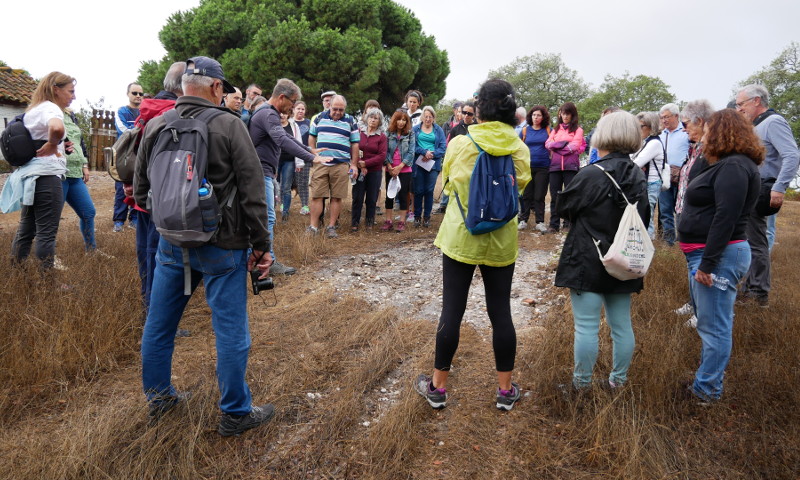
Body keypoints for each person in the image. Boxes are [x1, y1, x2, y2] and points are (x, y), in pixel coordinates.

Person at [133, 56, 275, 436]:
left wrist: (174, 219)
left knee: (159, 326)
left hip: (169, 245)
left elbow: (143, 194)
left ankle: (160, 401)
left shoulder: (157, 125)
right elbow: (252, 192)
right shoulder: (229, 124)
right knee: (230, 331)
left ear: (182, 86)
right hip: (223, 245)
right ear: (216, 88)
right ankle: (235, 413)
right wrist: (262, 245)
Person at [414, 79, 531, 411]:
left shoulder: (460, 144)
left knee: (452, 310)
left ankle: (437, 388)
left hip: (461, 236)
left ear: (480, 109)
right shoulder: (519, 148)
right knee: (501, 312)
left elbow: (448, 183)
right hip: (501, 240)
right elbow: (521, 185)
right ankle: (506, 392)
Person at [554, 111, 649, 391]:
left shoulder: (592, 174)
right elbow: (643, 216)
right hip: (625, 258)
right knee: (621, 326)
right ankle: (618, 382)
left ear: (604, 135)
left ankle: (581, 385)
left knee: (586, 327)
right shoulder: (637, 175)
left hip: (588, 257)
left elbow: (563, 208)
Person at [677, 109, 763, 403]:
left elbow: (726, 217)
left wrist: (709, 264)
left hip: (719, 257)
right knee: (709, 324)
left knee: (715, 328)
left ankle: (707, 392)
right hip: (705, 255)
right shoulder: (723, 164)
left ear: (723, 131)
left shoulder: (736, 167)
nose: (704, 133)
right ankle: (705, 383)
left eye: (709, 128)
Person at [130, 62, 189, 332]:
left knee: (146, 255)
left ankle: (146, 311)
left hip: (141, 199)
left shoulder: (147, 109)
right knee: (160, 260)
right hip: (162, 202)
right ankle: (159, 322)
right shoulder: (173, 114)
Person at [249, 78, 327, 274]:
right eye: (292, 102)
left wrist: (310, 150)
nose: (293, 108)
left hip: (264, 172)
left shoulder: (268, 113)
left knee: (266, 218)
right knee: (267, 218)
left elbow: (289, 138)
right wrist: (311, 157)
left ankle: (260, 259)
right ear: (282, 97)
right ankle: (267, 262)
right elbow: (282, 139)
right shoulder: (268, 114)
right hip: (259, 173)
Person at [736, 84, 800, 307]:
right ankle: (748, 288)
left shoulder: (774, 122)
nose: (739, 108)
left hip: (763, 188)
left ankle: (758, 293)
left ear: (756, 101)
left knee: (756, 242)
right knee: (748, 241)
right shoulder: (755, 125)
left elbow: (792, 155)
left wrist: (780, 187)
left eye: (741, 104)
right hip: (751, 188)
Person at [1, 72, 72, 270]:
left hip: (31, 176)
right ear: (56, 89)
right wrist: (52, 142)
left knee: (26, 230)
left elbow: (38, 139)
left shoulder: (34, 109)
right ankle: (48, 282)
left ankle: (17, 274)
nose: (73, 96)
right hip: (47, 177)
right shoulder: (51, 108)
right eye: (70, 91)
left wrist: (57, 145)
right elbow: (56, 128)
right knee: (46, 233)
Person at [308, 95, 360, 238]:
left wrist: (354, 165)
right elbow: (311, 136)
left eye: (341, 110)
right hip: (321, 164)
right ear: (329, 106)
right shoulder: (319, 118)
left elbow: (355, 143)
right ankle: (313, 227)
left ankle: (331, 227)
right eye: (335, 109)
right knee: (317, 196)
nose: (337, 112)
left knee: (337, 197)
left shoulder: (351, 120)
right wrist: (314, 154)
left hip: (341, 164)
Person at [545, 102, 585, 233]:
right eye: (563, 113)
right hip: (555, 167)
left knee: (569, 196)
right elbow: (548, 144)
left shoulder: (578, 130)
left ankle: (568, 223)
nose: (565, 116)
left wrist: (558, 147)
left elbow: (574, 146)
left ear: (572, 115)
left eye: (567, 113)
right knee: (555, 196)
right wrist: (563, 145)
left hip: (571, 167)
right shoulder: (555, 130)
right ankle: (553, 224)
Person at [61, 108, 96, 250]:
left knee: (88, 212)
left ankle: (91, 250)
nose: (73, 96)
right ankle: (47, 259)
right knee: (50, 219)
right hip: (57, 173)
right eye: (70, 91)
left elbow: (79, 142)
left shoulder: (70, 114)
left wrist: (84, 164)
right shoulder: (47, 111)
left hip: (75, 173)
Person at [657, 103, 690, 246]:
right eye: (662, 117)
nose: (664, 120)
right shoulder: (660, 134)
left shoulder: (685, 132)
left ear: (676, 116)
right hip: (664, 177)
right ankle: (669, 242)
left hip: (681, 177)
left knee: (681, 211)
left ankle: (683, 241)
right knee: (665, 211)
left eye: (667, 117)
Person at [113, 82, 143, 232]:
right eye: (134, 93)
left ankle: (135, 218)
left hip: (140, 154)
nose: (138, 96)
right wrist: (140, 130)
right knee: (121, 188)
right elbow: (123, 129)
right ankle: (119, 221)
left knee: (139, 186)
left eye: (140, 94)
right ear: (128, 94)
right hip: (124, 155)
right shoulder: (121, 111)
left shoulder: (144, 111)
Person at [436, 101, 476, 215]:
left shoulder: (478, 128)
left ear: (474, 115)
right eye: (464, 112)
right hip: (458, 163)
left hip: (472, 164)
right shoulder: (455, 129)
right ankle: (447, 206)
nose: (467, 116)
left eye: (470, 113)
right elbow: (450, 147)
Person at [631, 112, 665, 239]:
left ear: (651, 127)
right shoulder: (645, 142)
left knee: (647, 216)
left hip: (651, 183)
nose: (638, 130)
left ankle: (649, 246)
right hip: (644, 183)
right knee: (643, 216)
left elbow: (636, 162)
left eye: (641, 126)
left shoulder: (654, 143)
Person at [352, 107, 387, 231]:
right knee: (357, 197)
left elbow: (382, 156)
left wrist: (366, 163)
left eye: (376, 118)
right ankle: (354, 223)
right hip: (359, 170)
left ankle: (369, 223)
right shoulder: (358, 132)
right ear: (367, 119)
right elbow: (353, 148)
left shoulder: (381, 137)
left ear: (379, 121)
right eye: (371, 117)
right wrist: (357, 164)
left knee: (371, 198)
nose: (373, 120)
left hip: (374, 171)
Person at [517, 105, 551, 233]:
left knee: (539, 195)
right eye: (534, 115)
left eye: (539, 115)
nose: (536, 117)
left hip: (543, 166)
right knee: (526, 195)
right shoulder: (525, 130)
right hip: (527, 167)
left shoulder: (548, 130)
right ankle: (523, 220)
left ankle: (540, 221)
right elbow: (518, 146)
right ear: (530, 116)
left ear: (543, 117)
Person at [411, 106, 446, 228]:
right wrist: (423, 152)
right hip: (419, 163)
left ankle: (426, 218)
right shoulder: (415, 129)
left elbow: (442, 147)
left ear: (433, 118)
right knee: (418, 190)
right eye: (426, 116)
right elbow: (412, 146)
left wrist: (432, 154)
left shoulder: (439, 130)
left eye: (430, 117)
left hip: (433, 164)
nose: (428, 119)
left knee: (429, 191)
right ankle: (417, 217)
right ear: (422, 117)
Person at [382, 109, 415, 232]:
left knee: (403, 195)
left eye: (404, 120)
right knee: (389, 195)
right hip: (390, 169)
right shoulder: (388, 133)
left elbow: (411, 152)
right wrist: (390, 166)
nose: (401, 122)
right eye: (399, 120)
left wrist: (400, 166)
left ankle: (402, 221)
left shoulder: (410, 134)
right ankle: (388, 220)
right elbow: (384, 151)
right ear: (394, 121)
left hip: (405, 169)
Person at [276, 111, 303, 222]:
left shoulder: (293, 126)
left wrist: (299, 162)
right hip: (274, 160)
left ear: (288, 114)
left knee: (286, 188)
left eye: (284, 113)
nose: (282, 115)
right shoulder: (273, 124)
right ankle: (271, 211)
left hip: (289, 161)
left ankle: (285, 214)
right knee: (274, 187)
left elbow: (298, 142)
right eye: (280, 113)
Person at [293, 101, 312, 215]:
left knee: (303, 182)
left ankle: (305, 206)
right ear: (293, 109)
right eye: (298, 108)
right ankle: (283, 205)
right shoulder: (289, 122)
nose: (300, 111)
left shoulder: (308, 123)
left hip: (304, 156)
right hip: (290, 156)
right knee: (287, 181)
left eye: (302, 109)